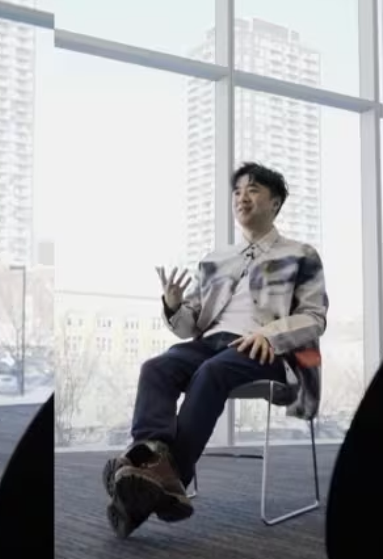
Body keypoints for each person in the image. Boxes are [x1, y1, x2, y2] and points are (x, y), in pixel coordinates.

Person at [103, 162, 328, 538]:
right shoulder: (216, 259)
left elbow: (314, 317)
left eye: (253, 190)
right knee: (155, 368)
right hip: (210, 343)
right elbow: (192, 323)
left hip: (265, 350)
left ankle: (159, 476)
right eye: (238, 191)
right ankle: (150, 465)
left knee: (211, 373)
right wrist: (174, 305)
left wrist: (270, 335)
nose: (242, 196)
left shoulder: (299, 254)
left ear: (275, 202)